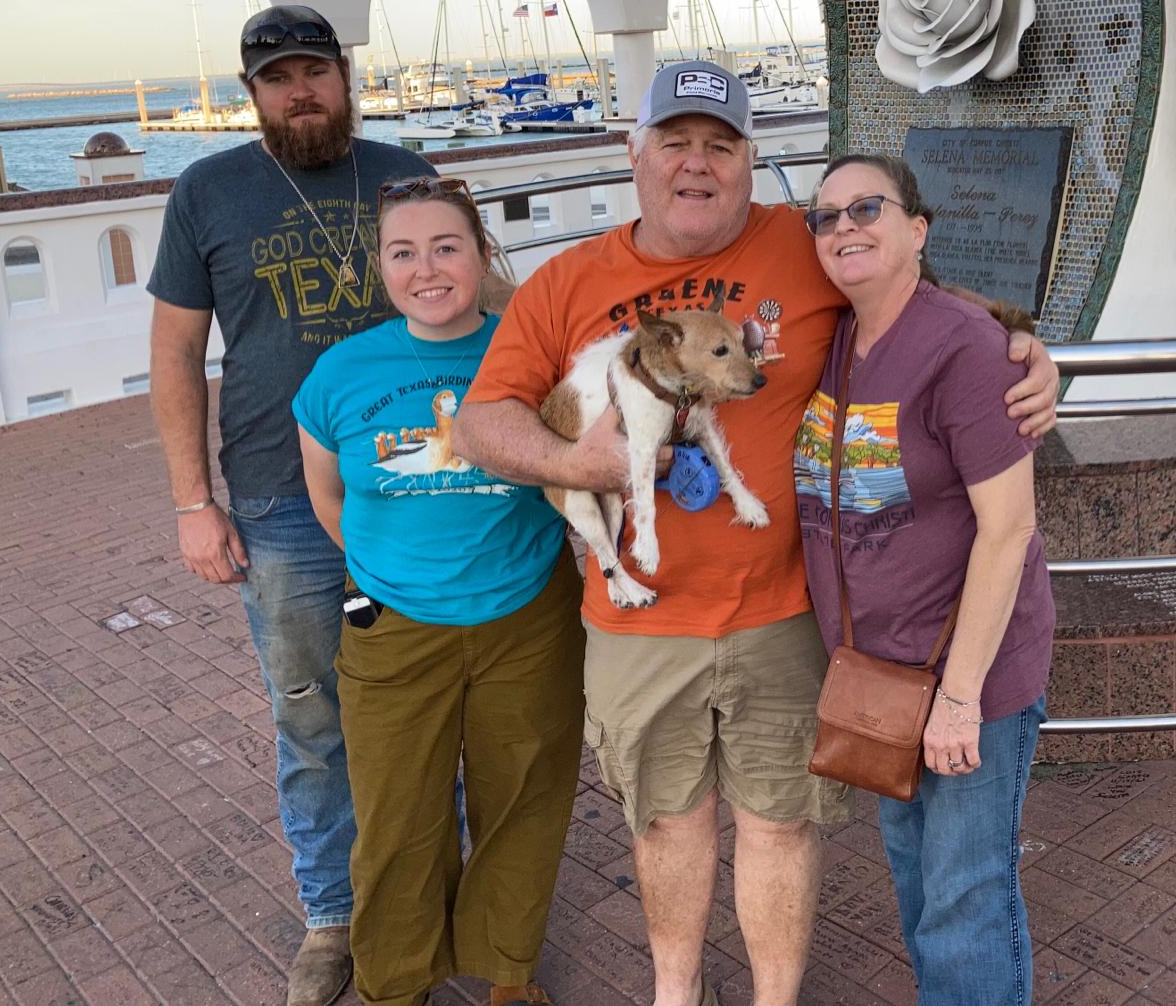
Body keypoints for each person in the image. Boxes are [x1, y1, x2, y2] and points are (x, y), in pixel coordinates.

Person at [451, 59, 1058, 1006]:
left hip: (786, 616)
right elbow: (483, 424)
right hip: (639, 624)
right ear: (635, 153)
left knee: (782, 825)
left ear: (749, 160)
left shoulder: (805, 240)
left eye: (721, 145)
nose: (698, 164)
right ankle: (677, 995)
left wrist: (1022, 341)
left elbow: (909, 295)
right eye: (677, 142)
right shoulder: (568, 279)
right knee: (667, 826)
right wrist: (587, 467)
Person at [148, 5, 437, 1006]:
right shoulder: (207, 192)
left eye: (314, 70)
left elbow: (475, 312)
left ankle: (428, 893)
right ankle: (333, 917)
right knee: (313, 720)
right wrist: (195, 501)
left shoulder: (405, 176)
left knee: (425, 704)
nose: (300, 91)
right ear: (254, 92)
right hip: (277, 501)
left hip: (422, 490)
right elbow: (177, 354)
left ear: (346, 76)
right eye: (278, 77)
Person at [294, 177, 579, 1006]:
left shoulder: (529, 353)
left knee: (522, 800)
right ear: (380, 266)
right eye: (403, 252)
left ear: (482, 255)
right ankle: (394, 981)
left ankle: (507, 973)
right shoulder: (340, 374)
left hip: (527, 617)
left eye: (447, 247)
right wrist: (389, 569)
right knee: (395, 820)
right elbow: (326, 495)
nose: (427, 268)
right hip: (394, 629)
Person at [793, 154, 1054, 1005]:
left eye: (866, 207)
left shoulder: (966, 350)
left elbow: (1009, 527)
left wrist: (960, 697)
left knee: (965, 900)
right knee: (918, 887)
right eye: (825, 217)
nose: (844, 227)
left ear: (917, 229)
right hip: (882, 679)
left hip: (964, 680)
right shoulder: (834, 339)